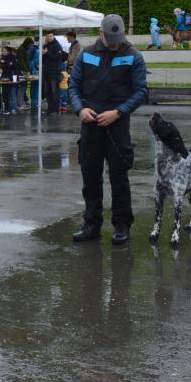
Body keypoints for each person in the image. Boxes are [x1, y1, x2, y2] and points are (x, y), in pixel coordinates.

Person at [70, 14, 148, 245]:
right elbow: (74, 86)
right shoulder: (86, 54)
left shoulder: (133, 56)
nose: (115, 44)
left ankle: (122, 225)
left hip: (117, 126)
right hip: (90, 124)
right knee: (90, 178)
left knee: (119, 178)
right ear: (101, 33)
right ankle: (91, 225)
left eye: (118, 40)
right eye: (111, 40)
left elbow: (141, 91)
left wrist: (119, 112)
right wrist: (80, 109)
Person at [42, 31, 63, 113]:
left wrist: (47, 53)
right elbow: (43, 60)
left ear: (53, 36)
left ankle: (56, 108)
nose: (49, 38)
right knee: (47, 91)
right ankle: (50, 108)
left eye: (51, 36)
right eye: (48, 36)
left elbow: (57, 58)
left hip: (55, 71)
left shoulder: (57, 46)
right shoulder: (45, 46)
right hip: (46, 71)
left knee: (54, 91)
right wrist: (43, 54)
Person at [0, 45, 20, 114]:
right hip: (3, 78)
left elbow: (13, 66)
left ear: (8, 51)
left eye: (4, 51)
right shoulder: (2, 58)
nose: (3, 52)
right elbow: (0, 67)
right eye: (2, 51)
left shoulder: (12, 57)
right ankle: (2, 107)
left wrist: (5, 63)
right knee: (1, 93)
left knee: (11, 93)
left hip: (12, 78)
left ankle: (13, 108)